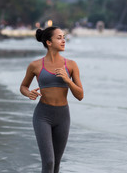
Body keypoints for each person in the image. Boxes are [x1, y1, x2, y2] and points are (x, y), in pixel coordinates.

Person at [20, 26, 84, 173]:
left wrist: (68, 80)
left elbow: (80, 95)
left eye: (64, 37)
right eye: (59, 37)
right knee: (48, 162)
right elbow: (23, 86)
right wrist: (28, 93)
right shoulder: (35, 65)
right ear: (49, 42)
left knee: (56, 164)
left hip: (63, 116)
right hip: (43, 116)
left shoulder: (71, 65)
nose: (63, 41)